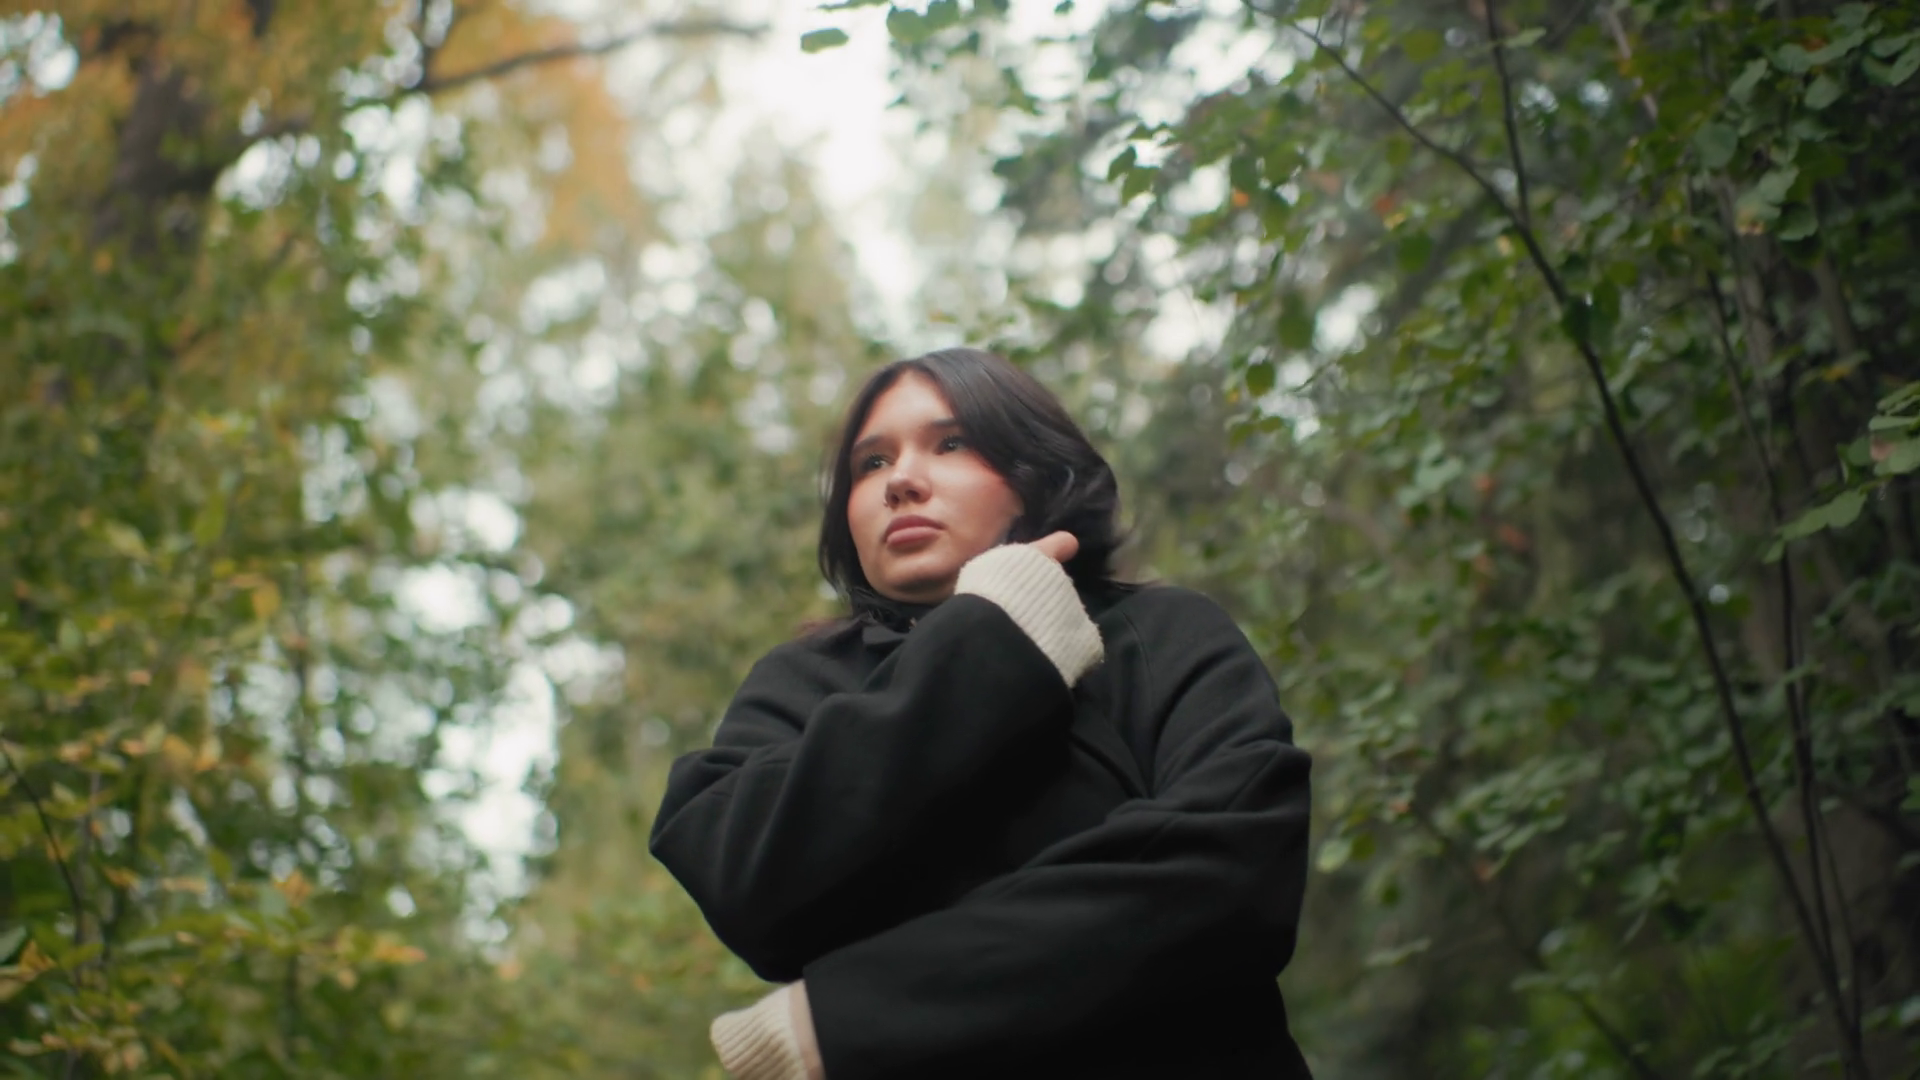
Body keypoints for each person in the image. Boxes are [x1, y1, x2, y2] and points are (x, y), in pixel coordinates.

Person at [648, 347, 1314, 1080]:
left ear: (1034, 477)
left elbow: (1231, 879)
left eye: (952, 444)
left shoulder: (1163, 635)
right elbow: (748, 883)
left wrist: (842, 1019)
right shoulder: (800, 684)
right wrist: (994, 637)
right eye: (871, 463)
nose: (900, 480)